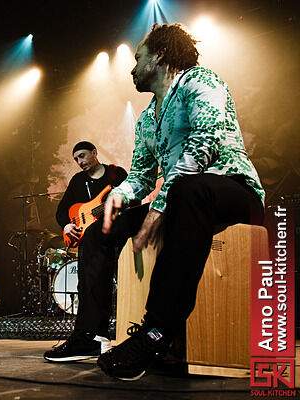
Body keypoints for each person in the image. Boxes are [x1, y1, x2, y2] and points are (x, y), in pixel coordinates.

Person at [93, 23, 264, 380]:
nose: (132, 67)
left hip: (233, 190)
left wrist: (158, 210)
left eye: (138, 58)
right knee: (98, 232)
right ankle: (87, 334)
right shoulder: (145, 120)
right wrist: (118, 197)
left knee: (189, 191)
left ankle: (157, 331)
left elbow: (207, 139)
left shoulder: (201, 81)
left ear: (158, 56)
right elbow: (141, 176)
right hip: (184, 199)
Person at [43, 141, 128, 362]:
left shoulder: (116, 175)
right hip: (90, 239)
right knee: (88, 282)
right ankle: (96, 336)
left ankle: (98, 335)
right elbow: (62, 211)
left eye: (82, 156)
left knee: (107, 283)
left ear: (94, 153)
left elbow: (131, 199)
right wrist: (67, 225)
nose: (80, 162)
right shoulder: (77, 181)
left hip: (116, 234)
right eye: (76, 159)